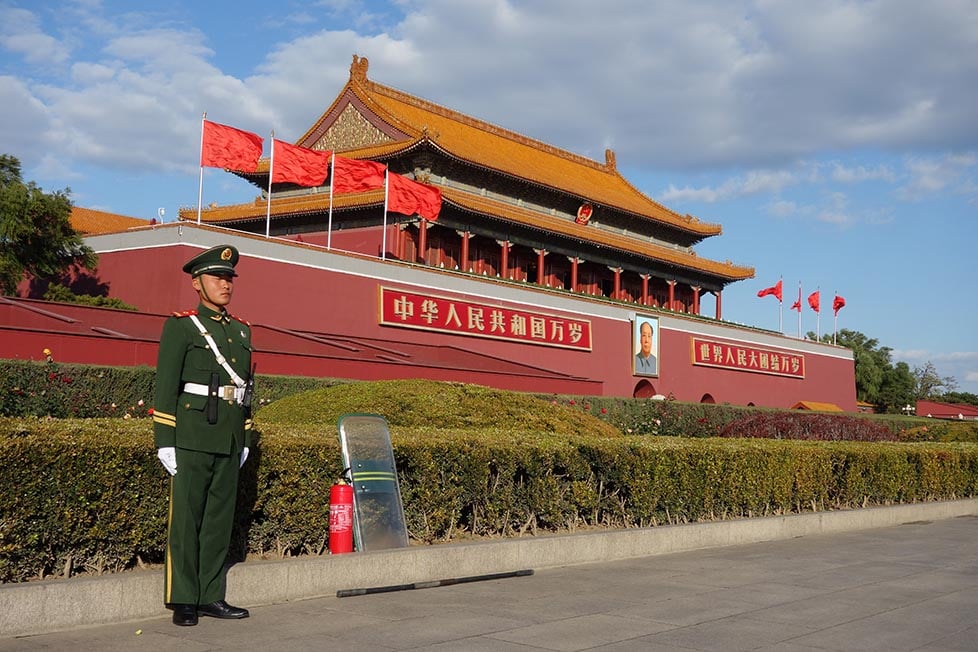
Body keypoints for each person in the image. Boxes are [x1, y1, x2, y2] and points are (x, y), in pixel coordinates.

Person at [152, 244, 254, 627]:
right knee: (187, 520)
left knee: (217, 520)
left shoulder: (242, 330)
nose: (225, 284)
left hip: (228, 438)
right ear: (197, 283)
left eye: (229, 278)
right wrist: (165, 440)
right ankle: (183, 598)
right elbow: (166, 387)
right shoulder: (181, 327)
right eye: (217, 278)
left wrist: (243, 437)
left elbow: (246, 390)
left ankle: (211, 595)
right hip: (192, 437)